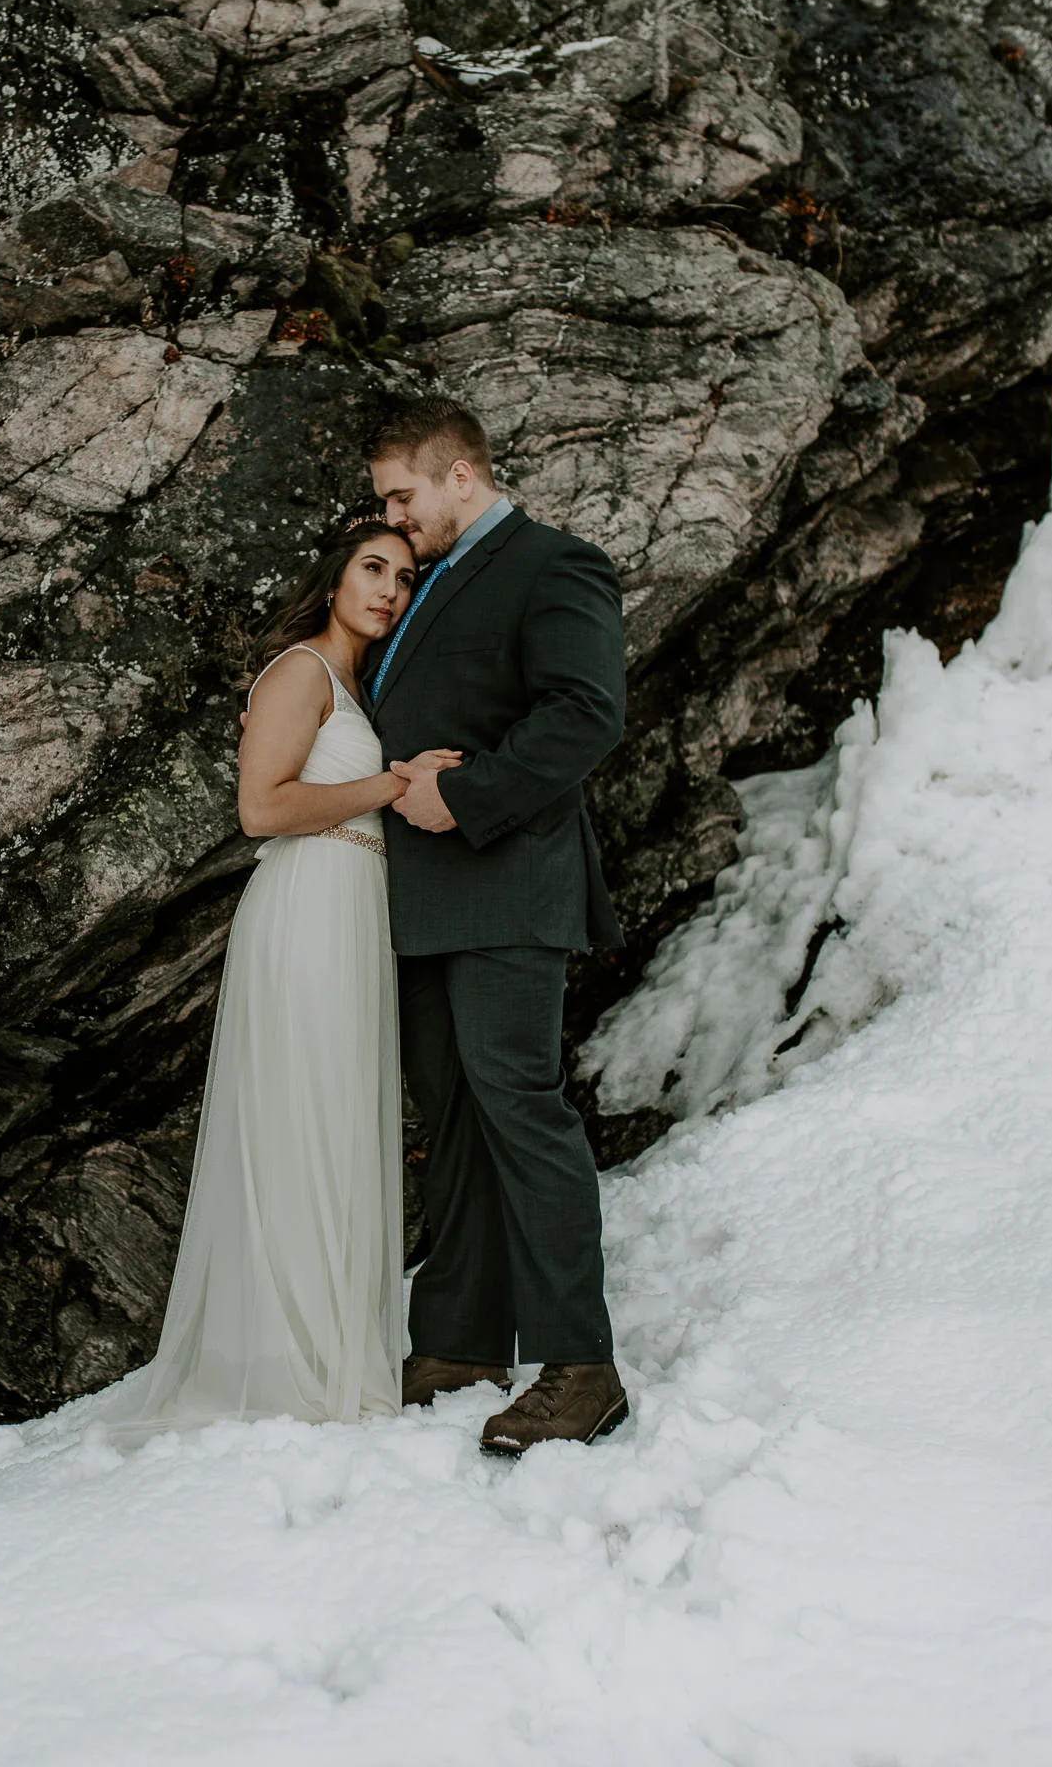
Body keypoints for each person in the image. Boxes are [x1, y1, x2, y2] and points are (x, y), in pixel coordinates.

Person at [96, 519, 458, 1442]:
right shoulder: (300, 670)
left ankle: (328, 1349)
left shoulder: (354, 685)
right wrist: (391, 786)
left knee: (336, 1113)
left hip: (350, 911)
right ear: (334, 577)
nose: (389, 589)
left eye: (404, 577)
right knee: (302, 1111)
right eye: (372, 568)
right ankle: (285, 1361)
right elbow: (262, 808)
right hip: (306, 909)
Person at [362, 399, 630, 1455]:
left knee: (520, 1106)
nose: (393, 517)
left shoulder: (555, 564)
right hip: (424, 897)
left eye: (403, 496)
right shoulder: (427, 581)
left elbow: (585, 711)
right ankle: (460, 1341)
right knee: (457, 1116)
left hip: (507, 882)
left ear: (461, 476)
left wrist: (466, 796)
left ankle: (582, 1366)